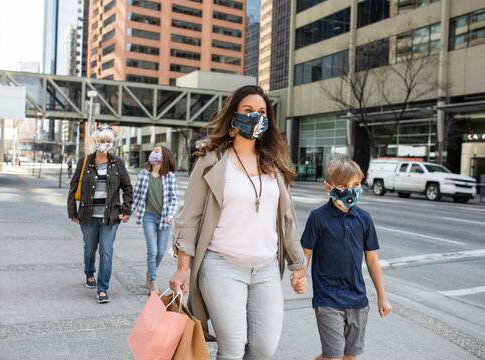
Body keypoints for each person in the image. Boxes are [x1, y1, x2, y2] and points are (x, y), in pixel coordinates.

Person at [169, 85, 307, 360]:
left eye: (262, 112)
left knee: (263, 349)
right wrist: (182, 268)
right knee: (232, 348)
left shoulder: (274, 163)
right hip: (221, 265)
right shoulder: (212, 160)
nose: (256, 117)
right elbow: (190, 217)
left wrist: (298, 265)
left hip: (266, 269)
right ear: (234, 117)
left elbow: (287, 218)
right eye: (248, 110)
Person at [300, 158, 392, 360]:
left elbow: (372, 259)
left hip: (357, 299)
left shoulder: (364, 219)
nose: (351, 191)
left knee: (350, 356)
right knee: (332, 356)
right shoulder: (318, 218)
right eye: (343, 186)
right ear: (328, 187)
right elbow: (306, 253)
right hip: (327, 298)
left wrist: (382, 297)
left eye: (356, 185)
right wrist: (299, 276)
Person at [67, 124, 133, 304]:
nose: (105, 144)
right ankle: (89, 272)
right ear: (96, 142)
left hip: (110, 217)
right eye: (102, 141)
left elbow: (127, 188)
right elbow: (73, 187)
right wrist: (72, 211)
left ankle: (102, 288)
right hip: (87, 216)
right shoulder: (85, 161)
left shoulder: (117, 163)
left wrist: (126, 210)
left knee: (106, 251)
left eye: (108, 141)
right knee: (89, 249)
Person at [131, 145, 178, 293]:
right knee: (152, 251)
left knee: (161, 252)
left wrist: (170, 215)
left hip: (164, 219)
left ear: (164, 157)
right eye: (153, 151)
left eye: (156, 151)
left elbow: (174, 199)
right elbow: (136, 197)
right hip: (148, 217)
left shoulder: (170, 177)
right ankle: (152, 280)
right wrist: (126, 213)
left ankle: (149, 272)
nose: (153, 153)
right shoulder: (144, 175)